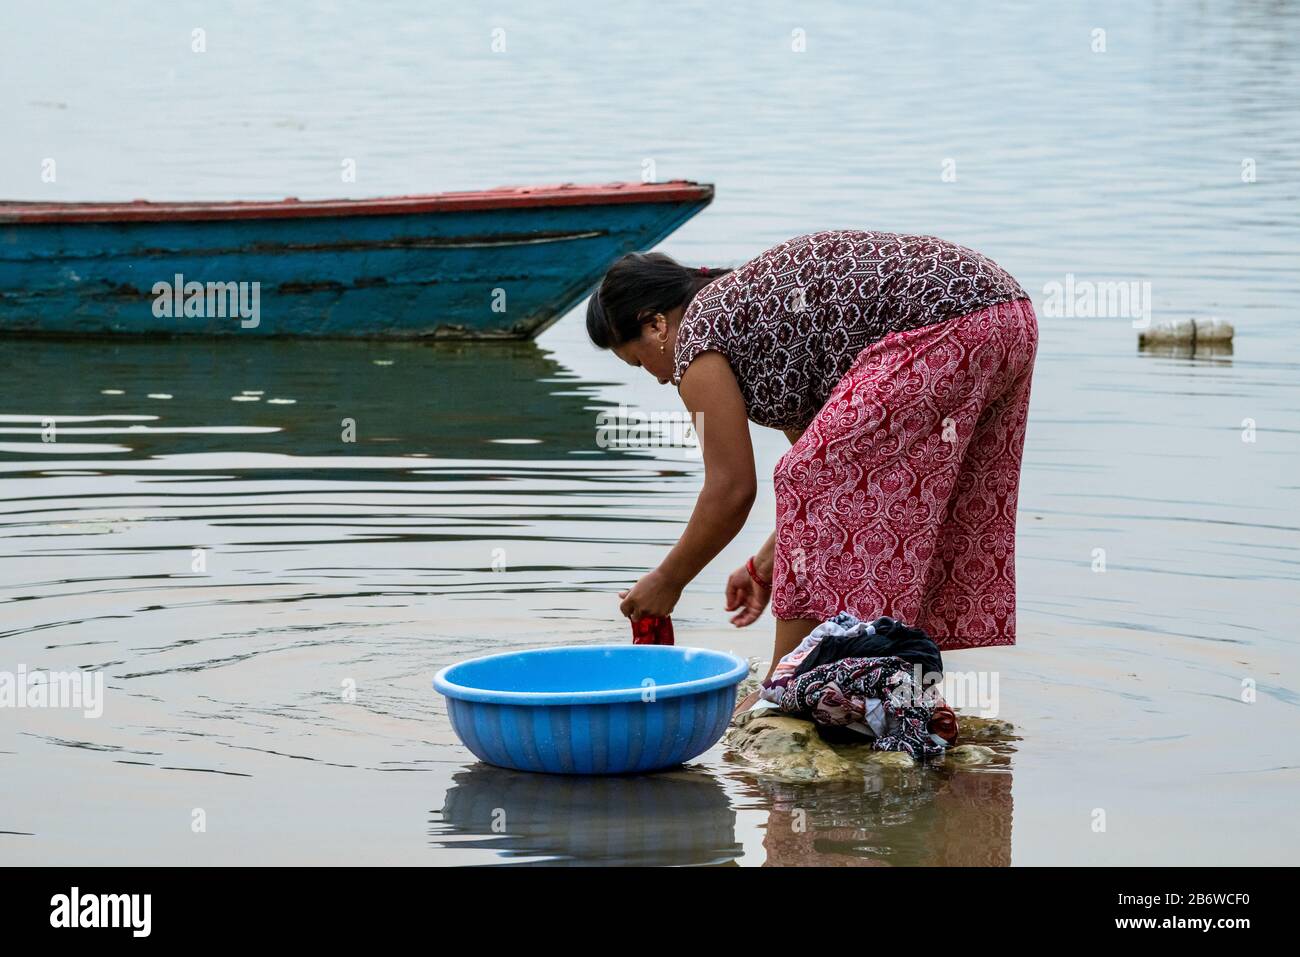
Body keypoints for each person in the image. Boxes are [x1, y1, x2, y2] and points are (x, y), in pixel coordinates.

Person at [585, 230, 1037, 711]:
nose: (657, 377)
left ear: (655, 323)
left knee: (808, 473)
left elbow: (733, 489)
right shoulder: (759, 329)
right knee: (868, 493)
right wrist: (763, 567)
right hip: (1006, 317)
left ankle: (787, 689)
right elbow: (827, 501)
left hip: (953, 322)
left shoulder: (698, 335)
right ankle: (888, 682)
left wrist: (667, 581)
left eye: (638, 361)